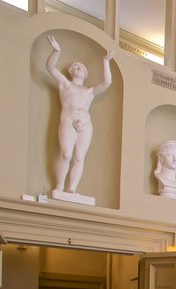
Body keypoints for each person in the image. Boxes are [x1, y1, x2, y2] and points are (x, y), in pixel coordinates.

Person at [45, 35, 114, 196]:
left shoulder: (89, 91)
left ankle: (72, 188)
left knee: (79, 156)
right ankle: (60, 186)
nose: (80, 68)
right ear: (70, 71)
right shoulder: (65, 84)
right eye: (76, 67)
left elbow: (107, 83)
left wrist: (106, 61)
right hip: (68, 119)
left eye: (82, 67)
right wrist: (56, 51)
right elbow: (50, 68)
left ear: (86, 74)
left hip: (85, 123)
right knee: (66, 153)